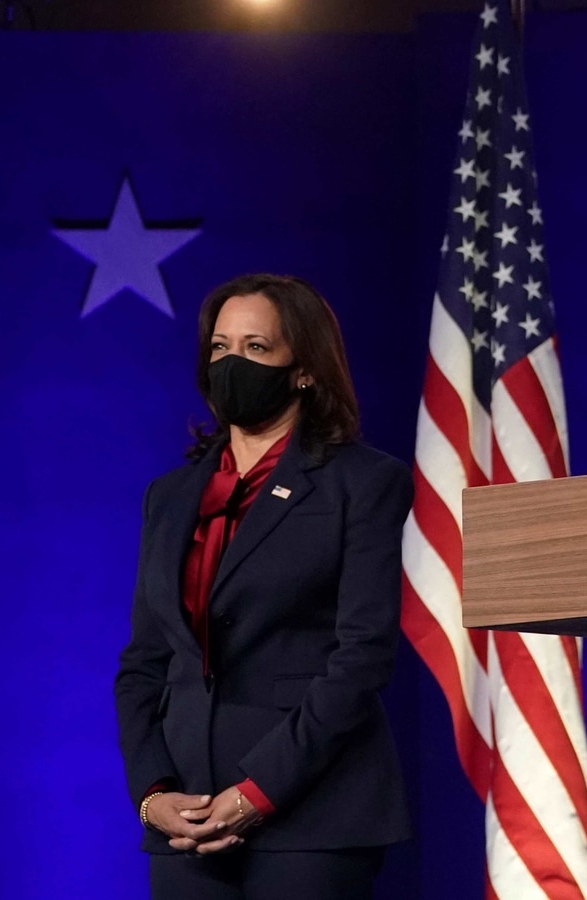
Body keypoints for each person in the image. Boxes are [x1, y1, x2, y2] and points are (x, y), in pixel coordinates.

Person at [114, 274, 412, 898]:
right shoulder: (170, 497)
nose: (232, 364)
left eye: (256, 349)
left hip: (312, 815)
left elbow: (361, 657)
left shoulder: (363, 482)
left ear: (303, 368)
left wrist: (256, 792)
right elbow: (146, 662)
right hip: (185, 820)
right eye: (220, 348)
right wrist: (152, 792)